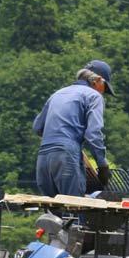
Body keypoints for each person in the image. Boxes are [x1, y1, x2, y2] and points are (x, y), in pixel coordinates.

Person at [32, 59, 115, 198]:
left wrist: (57, 136)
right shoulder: (94, 96)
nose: (103, 92)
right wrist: (102, 166)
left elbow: (37, 127)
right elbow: (93, 134)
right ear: (98, 80)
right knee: (74, 209)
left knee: (53, 214)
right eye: (105, 88)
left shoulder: (57, 94)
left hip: (43, 157)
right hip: (66, 156)